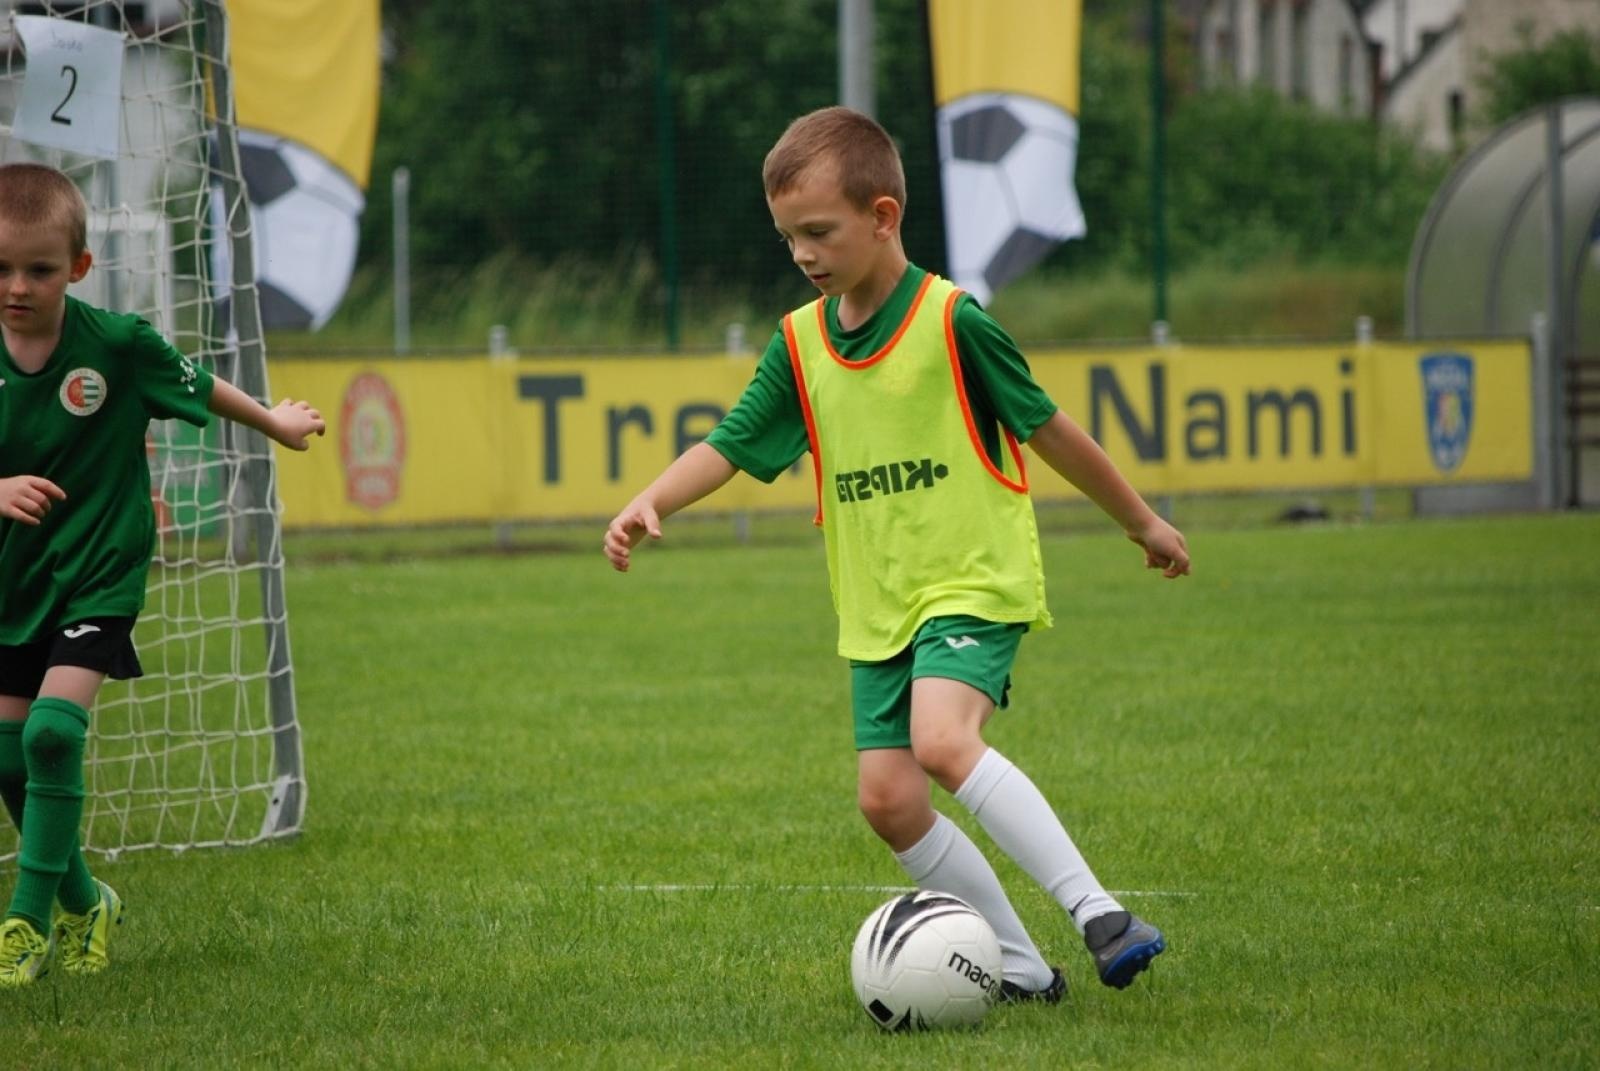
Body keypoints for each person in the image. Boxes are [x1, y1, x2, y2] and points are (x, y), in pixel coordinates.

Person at [603, 107, 1189, 1001]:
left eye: (818, 232)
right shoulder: (800, 343)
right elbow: (731, 441)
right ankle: (1025, 972)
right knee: (888, 798)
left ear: (882, 217)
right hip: (877, 605)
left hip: (971, 580)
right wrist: (653, 496)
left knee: (943, 740)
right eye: (787, 236)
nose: (801, 253)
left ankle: (1101, 912)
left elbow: (1050, 430)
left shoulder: (953, 320)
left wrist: (1141, 521)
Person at [0, 162, 325, 987]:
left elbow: (197, 383)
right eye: (1, 268)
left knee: (50, 733)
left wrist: (273, 421)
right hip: (13, 583)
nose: (17, 286)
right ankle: (86, 899)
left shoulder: (116, 344)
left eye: (38, 269)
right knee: (8, 758)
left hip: (99, 574)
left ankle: (23, 925)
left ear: (77, 268)